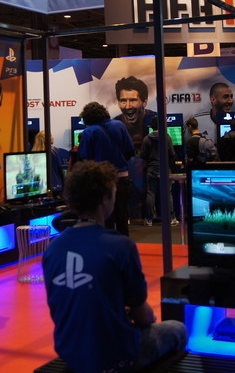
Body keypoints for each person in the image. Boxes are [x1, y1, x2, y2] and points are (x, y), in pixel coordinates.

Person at [42, 160, 187, 373]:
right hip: (116, 355)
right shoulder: (120, 246)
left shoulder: (52, 249)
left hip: (69, 352)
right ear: (105, 198)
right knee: (178, 329)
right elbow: (143, 316)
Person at [78, 101, 135, 236]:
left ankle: (106, 244)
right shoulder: (119, 125)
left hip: (100, 180)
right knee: (122, 216)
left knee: (104, 217)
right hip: (122, 177)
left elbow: (85, 158)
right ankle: (123, 245)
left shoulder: (89, 132)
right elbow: (130, 150)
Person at [139, 117, 177, 226]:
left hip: (151, 168)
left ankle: (149, 220)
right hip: (165, 168)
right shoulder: (167, 137)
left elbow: (142, 155)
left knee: (151, 193)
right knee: (168, 193)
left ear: (151, 126)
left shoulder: (147, 139)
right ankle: (171, 218)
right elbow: (172, 154)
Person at [114, 76, 157, 149]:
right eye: (123, 101)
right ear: (118, 103)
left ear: (144, 102)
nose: (128, 106)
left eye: (133, 100)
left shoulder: (158, 119)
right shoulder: (113, 126)